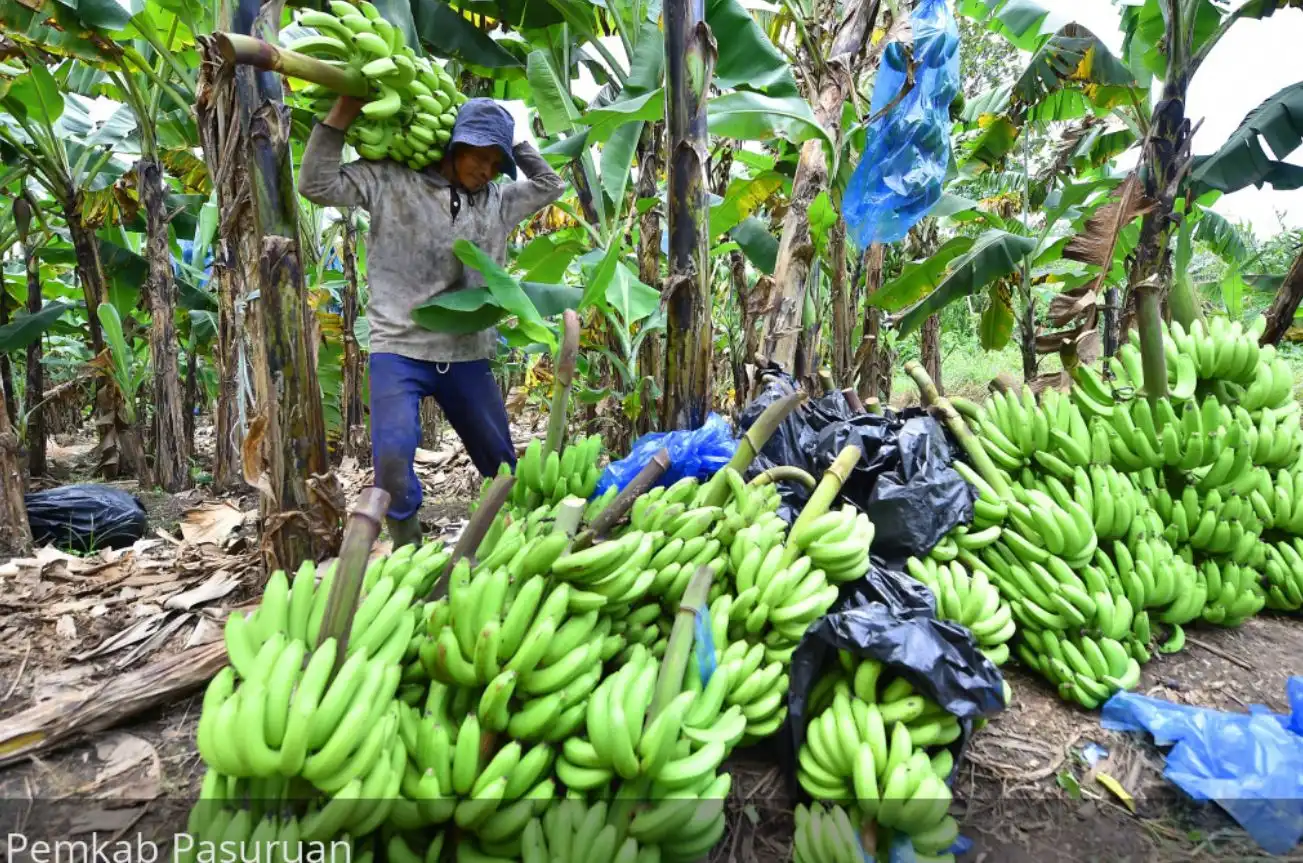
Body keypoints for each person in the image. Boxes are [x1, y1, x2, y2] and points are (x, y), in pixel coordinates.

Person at [299, 95, 566, 547]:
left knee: (500, 459)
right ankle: (409, 547)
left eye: (496, 163)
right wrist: (344, 111)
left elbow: (550, 184)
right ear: (454, 145)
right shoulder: (391, 180)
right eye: (480, 156)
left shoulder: (499, 201)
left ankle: (518, 540)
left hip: (467, 350)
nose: (487, 171)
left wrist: (517, 136)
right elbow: (316, 184)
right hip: (399, 345)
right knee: (392, 459)